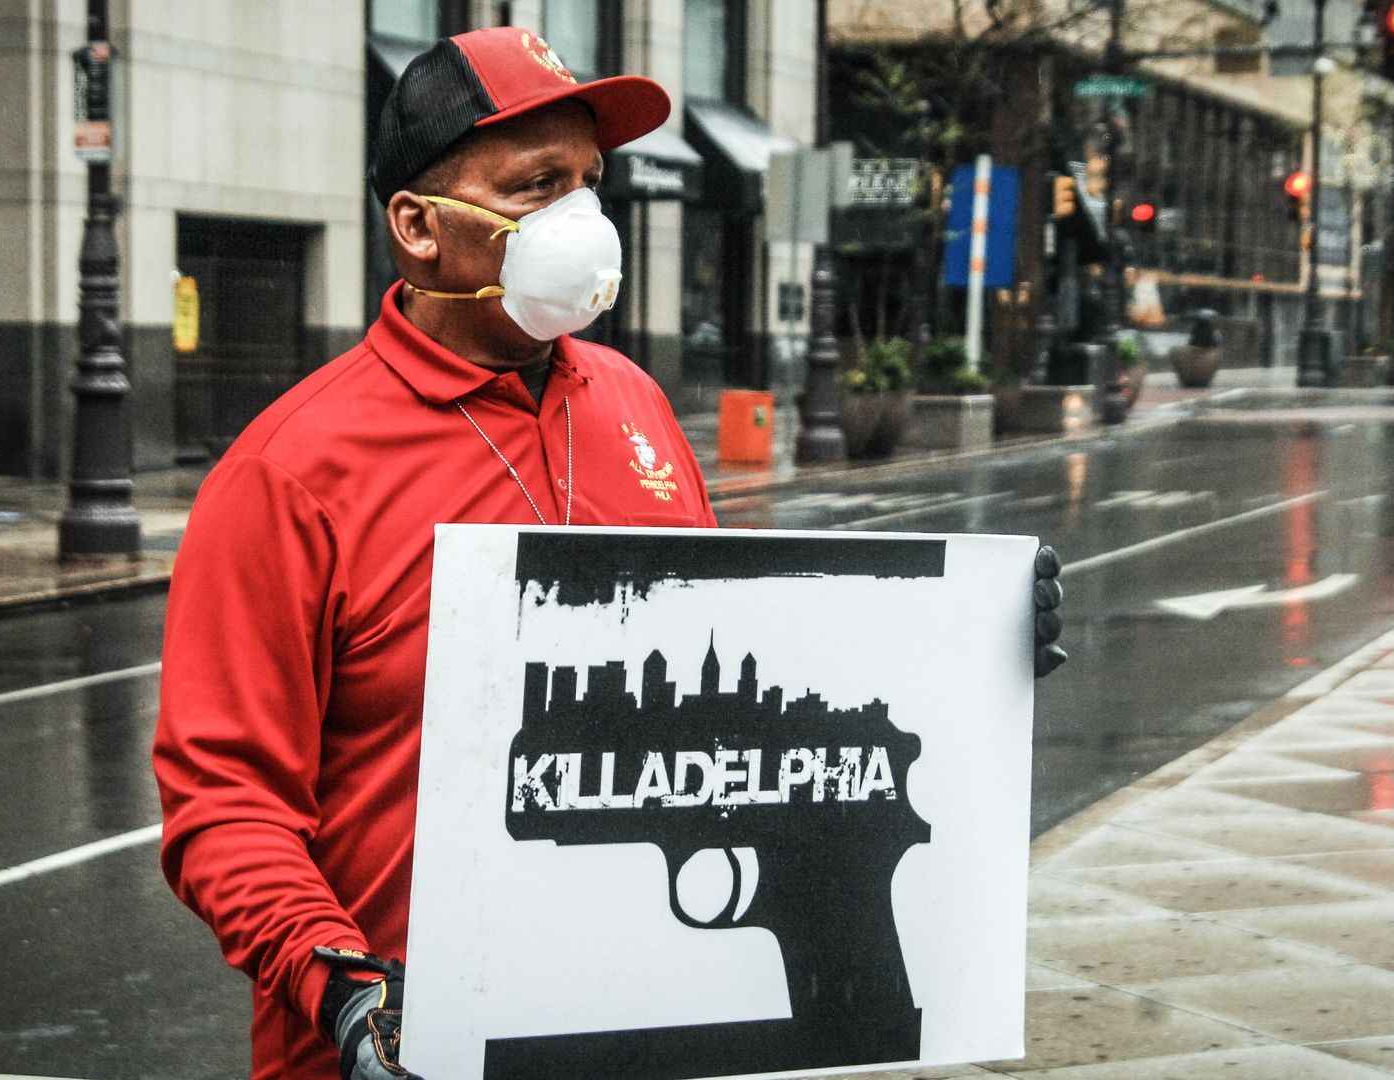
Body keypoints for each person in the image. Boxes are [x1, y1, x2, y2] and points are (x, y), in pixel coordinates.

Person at [153, 27, 1065, 1080]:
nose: (581, 217)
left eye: (590, 181)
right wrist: (347, 988)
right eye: (537, 185)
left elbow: (741, 669)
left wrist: (963, 661)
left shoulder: (631, 401)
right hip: (396, 1053)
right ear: (417, 227)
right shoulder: (289, 473)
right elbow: (226, 802)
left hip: (638, 1026)